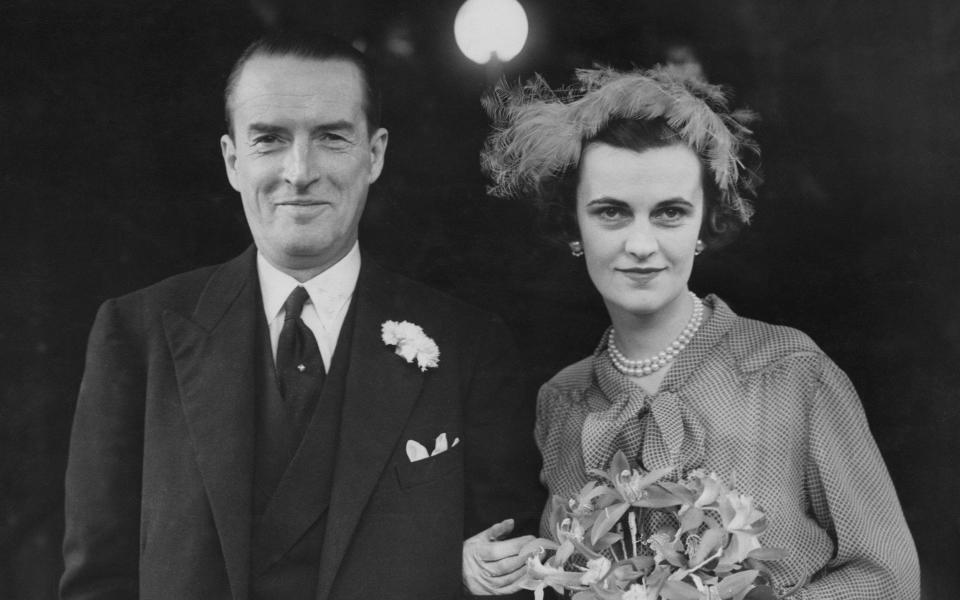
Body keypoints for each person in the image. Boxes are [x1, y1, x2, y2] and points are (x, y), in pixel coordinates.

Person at [61, 31, 542, 600]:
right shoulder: (136, 336)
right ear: (233, 159)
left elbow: (510, 569)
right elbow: (98, 582)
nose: (299, 171)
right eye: (269, 139)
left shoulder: (468, 346)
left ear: (376, 154)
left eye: (331, 137)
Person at [479, 66, 921, 598]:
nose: (641, 245)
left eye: (669, 213)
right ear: (574, 227)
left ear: (704, 226)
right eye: (611, 213)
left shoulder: (791, 372)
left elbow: (888, 578)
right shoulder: (562, 400)